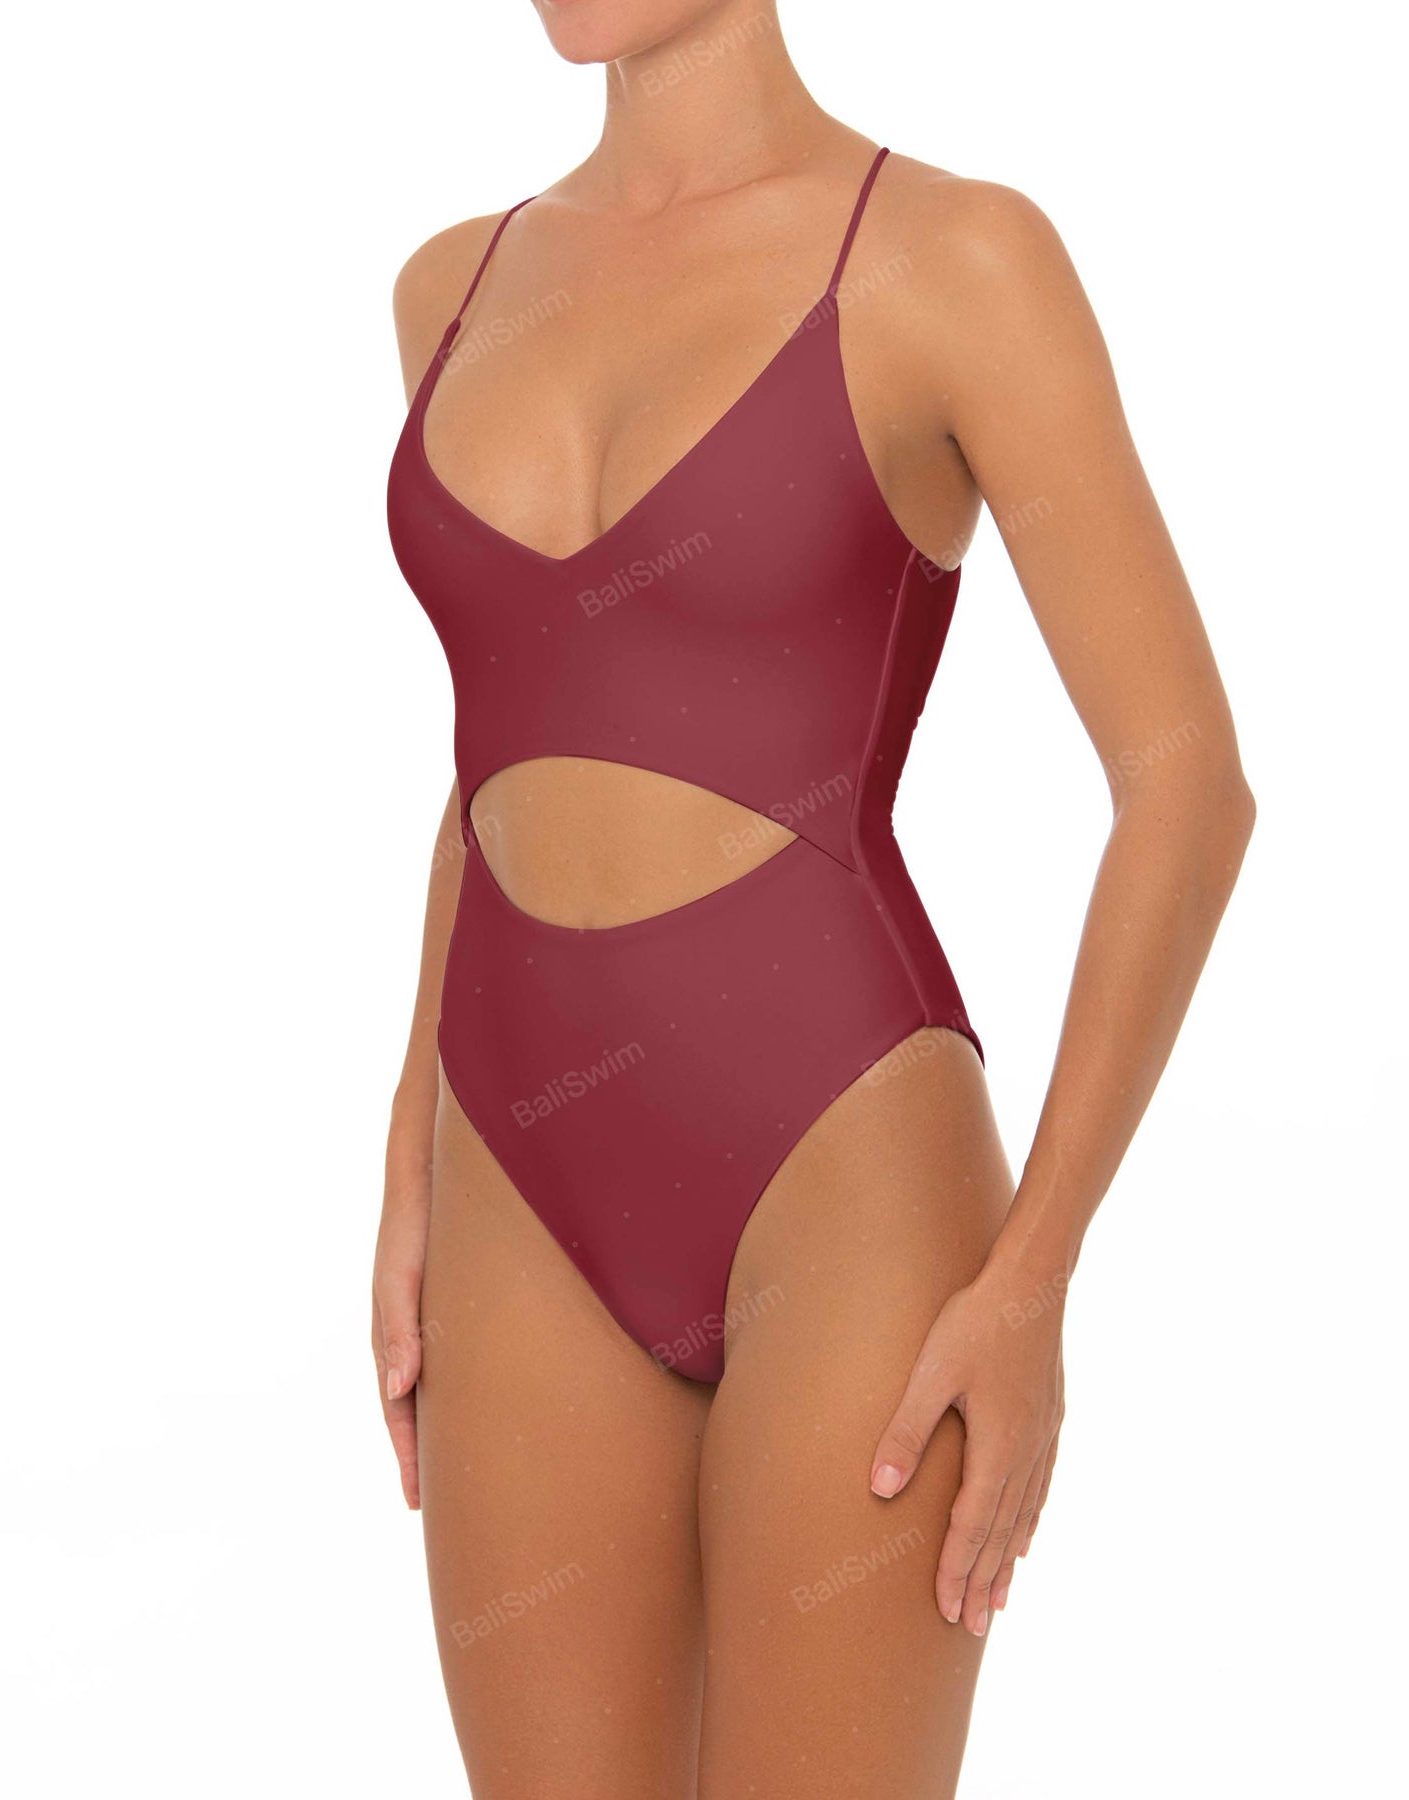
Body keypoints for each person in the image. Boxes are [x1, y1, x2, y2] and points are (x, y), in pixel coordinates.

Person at [372, 3, 1254, 1793]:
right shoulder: (452, 289)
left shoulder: (951, 260)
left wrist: (1035, 1275)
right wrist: (408, 1158)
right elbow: (496, 756)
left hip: (840, 1164)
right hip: (514, 1155)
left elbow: (1186, 789)